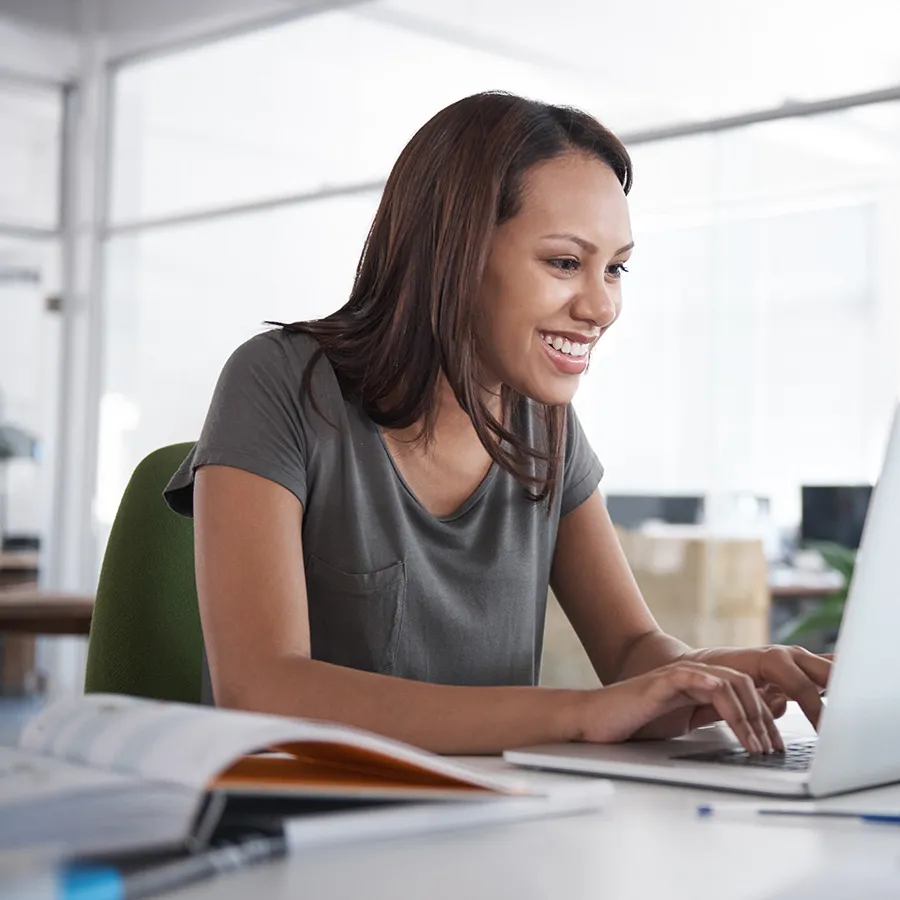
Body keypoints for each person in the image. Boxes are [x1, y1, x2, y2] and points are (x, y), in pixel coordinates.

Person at [165, 91, 830, 756]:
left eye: (616, 267)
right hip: (299, 830)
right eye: (566, 262)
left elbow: (629, 649)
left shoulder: (547, 426)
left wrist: (715, 675)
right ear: (456, 254)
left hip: (495, 824)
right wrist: (578, 713)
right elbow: (261, 690)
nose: (602, 306)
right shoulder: (281, 383)